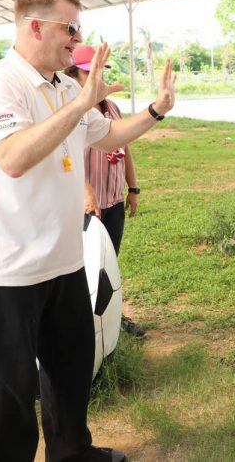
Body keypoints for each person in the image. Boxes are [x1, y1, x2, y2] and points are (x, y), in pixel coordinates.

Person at [0, 0, 176, 462]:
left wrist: (158, 109)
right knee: (7, 392)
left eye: (78, 28)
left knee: (69, 371)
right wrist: (80, 105)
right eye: (70, 28)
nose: (77, 39)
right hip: (8, 270)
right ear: (35, 27)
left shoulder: (64, 86)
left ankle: (72, 452)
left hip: (63, 261)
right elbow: (13, 157)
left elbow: (108, 134)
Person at [65, 45, 145, 338]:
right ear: (73, 74)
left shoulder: (111, 107)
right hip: (86, 207)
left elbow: (125, 148)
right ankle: (83, 327)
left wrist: (132, 188)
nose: (97, 77)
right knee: (84, 268)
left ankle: (112, 319)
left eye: (101, 71)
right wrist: (87, 193)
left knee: (108, 266)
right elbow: (69, 156)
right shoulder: (70, 108)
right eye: (90, 72)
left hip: (113, 202)